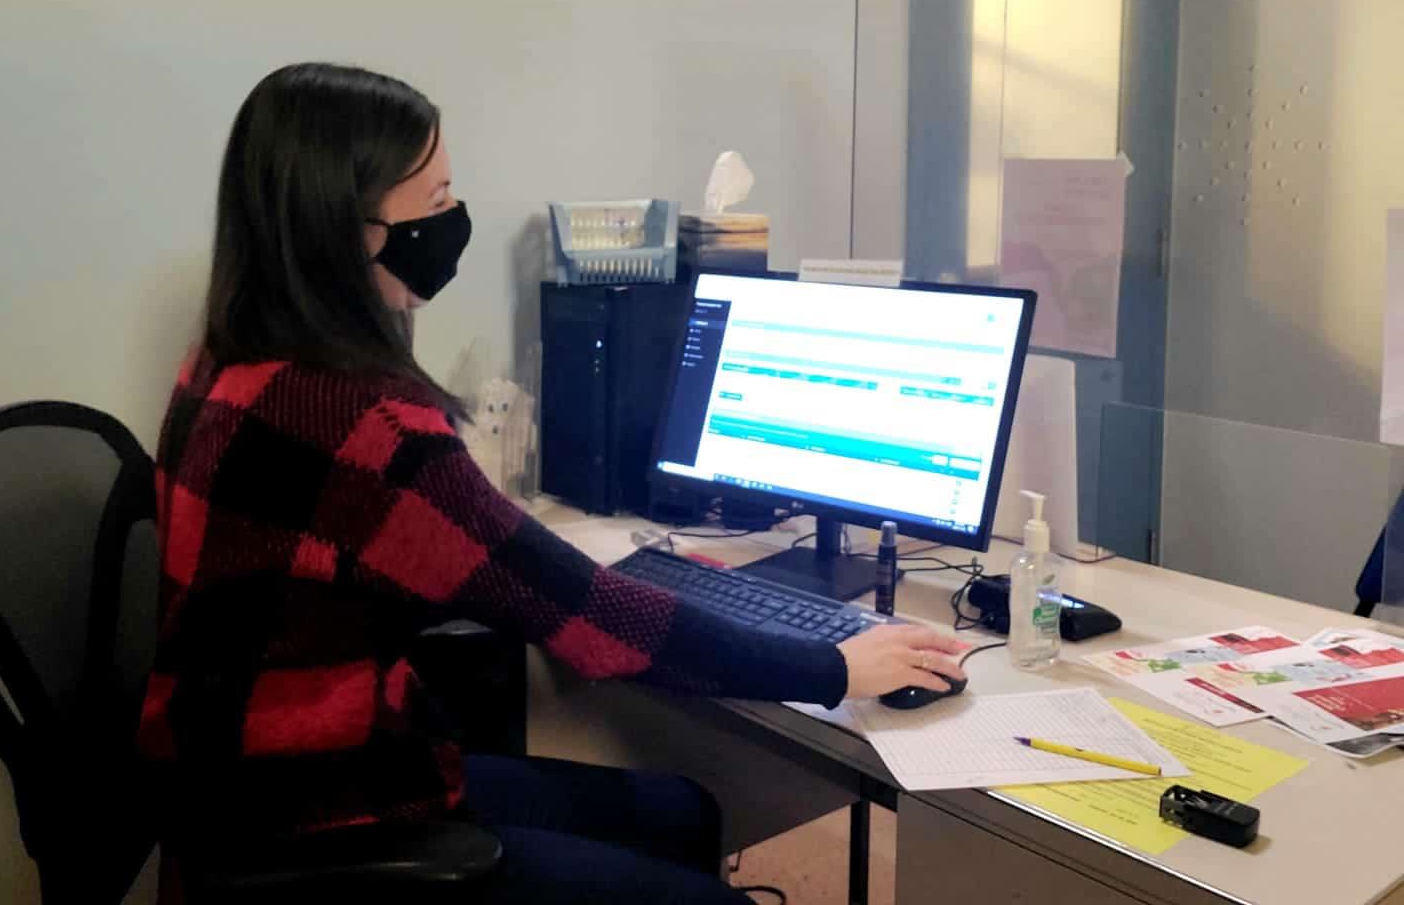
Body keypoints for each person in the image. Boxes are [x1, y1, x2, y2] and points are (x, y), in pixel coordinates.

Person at [138, 62, 969, 903]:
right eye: (434, 204)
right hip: (323, 817)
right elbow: (589, 619)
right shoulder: (367, 427)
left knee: (680, 814)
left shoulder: (230, 365)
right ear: (347, 231)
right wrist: (830, 666)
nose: (452, 223)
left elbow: (410, 563)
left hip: (238, 788)